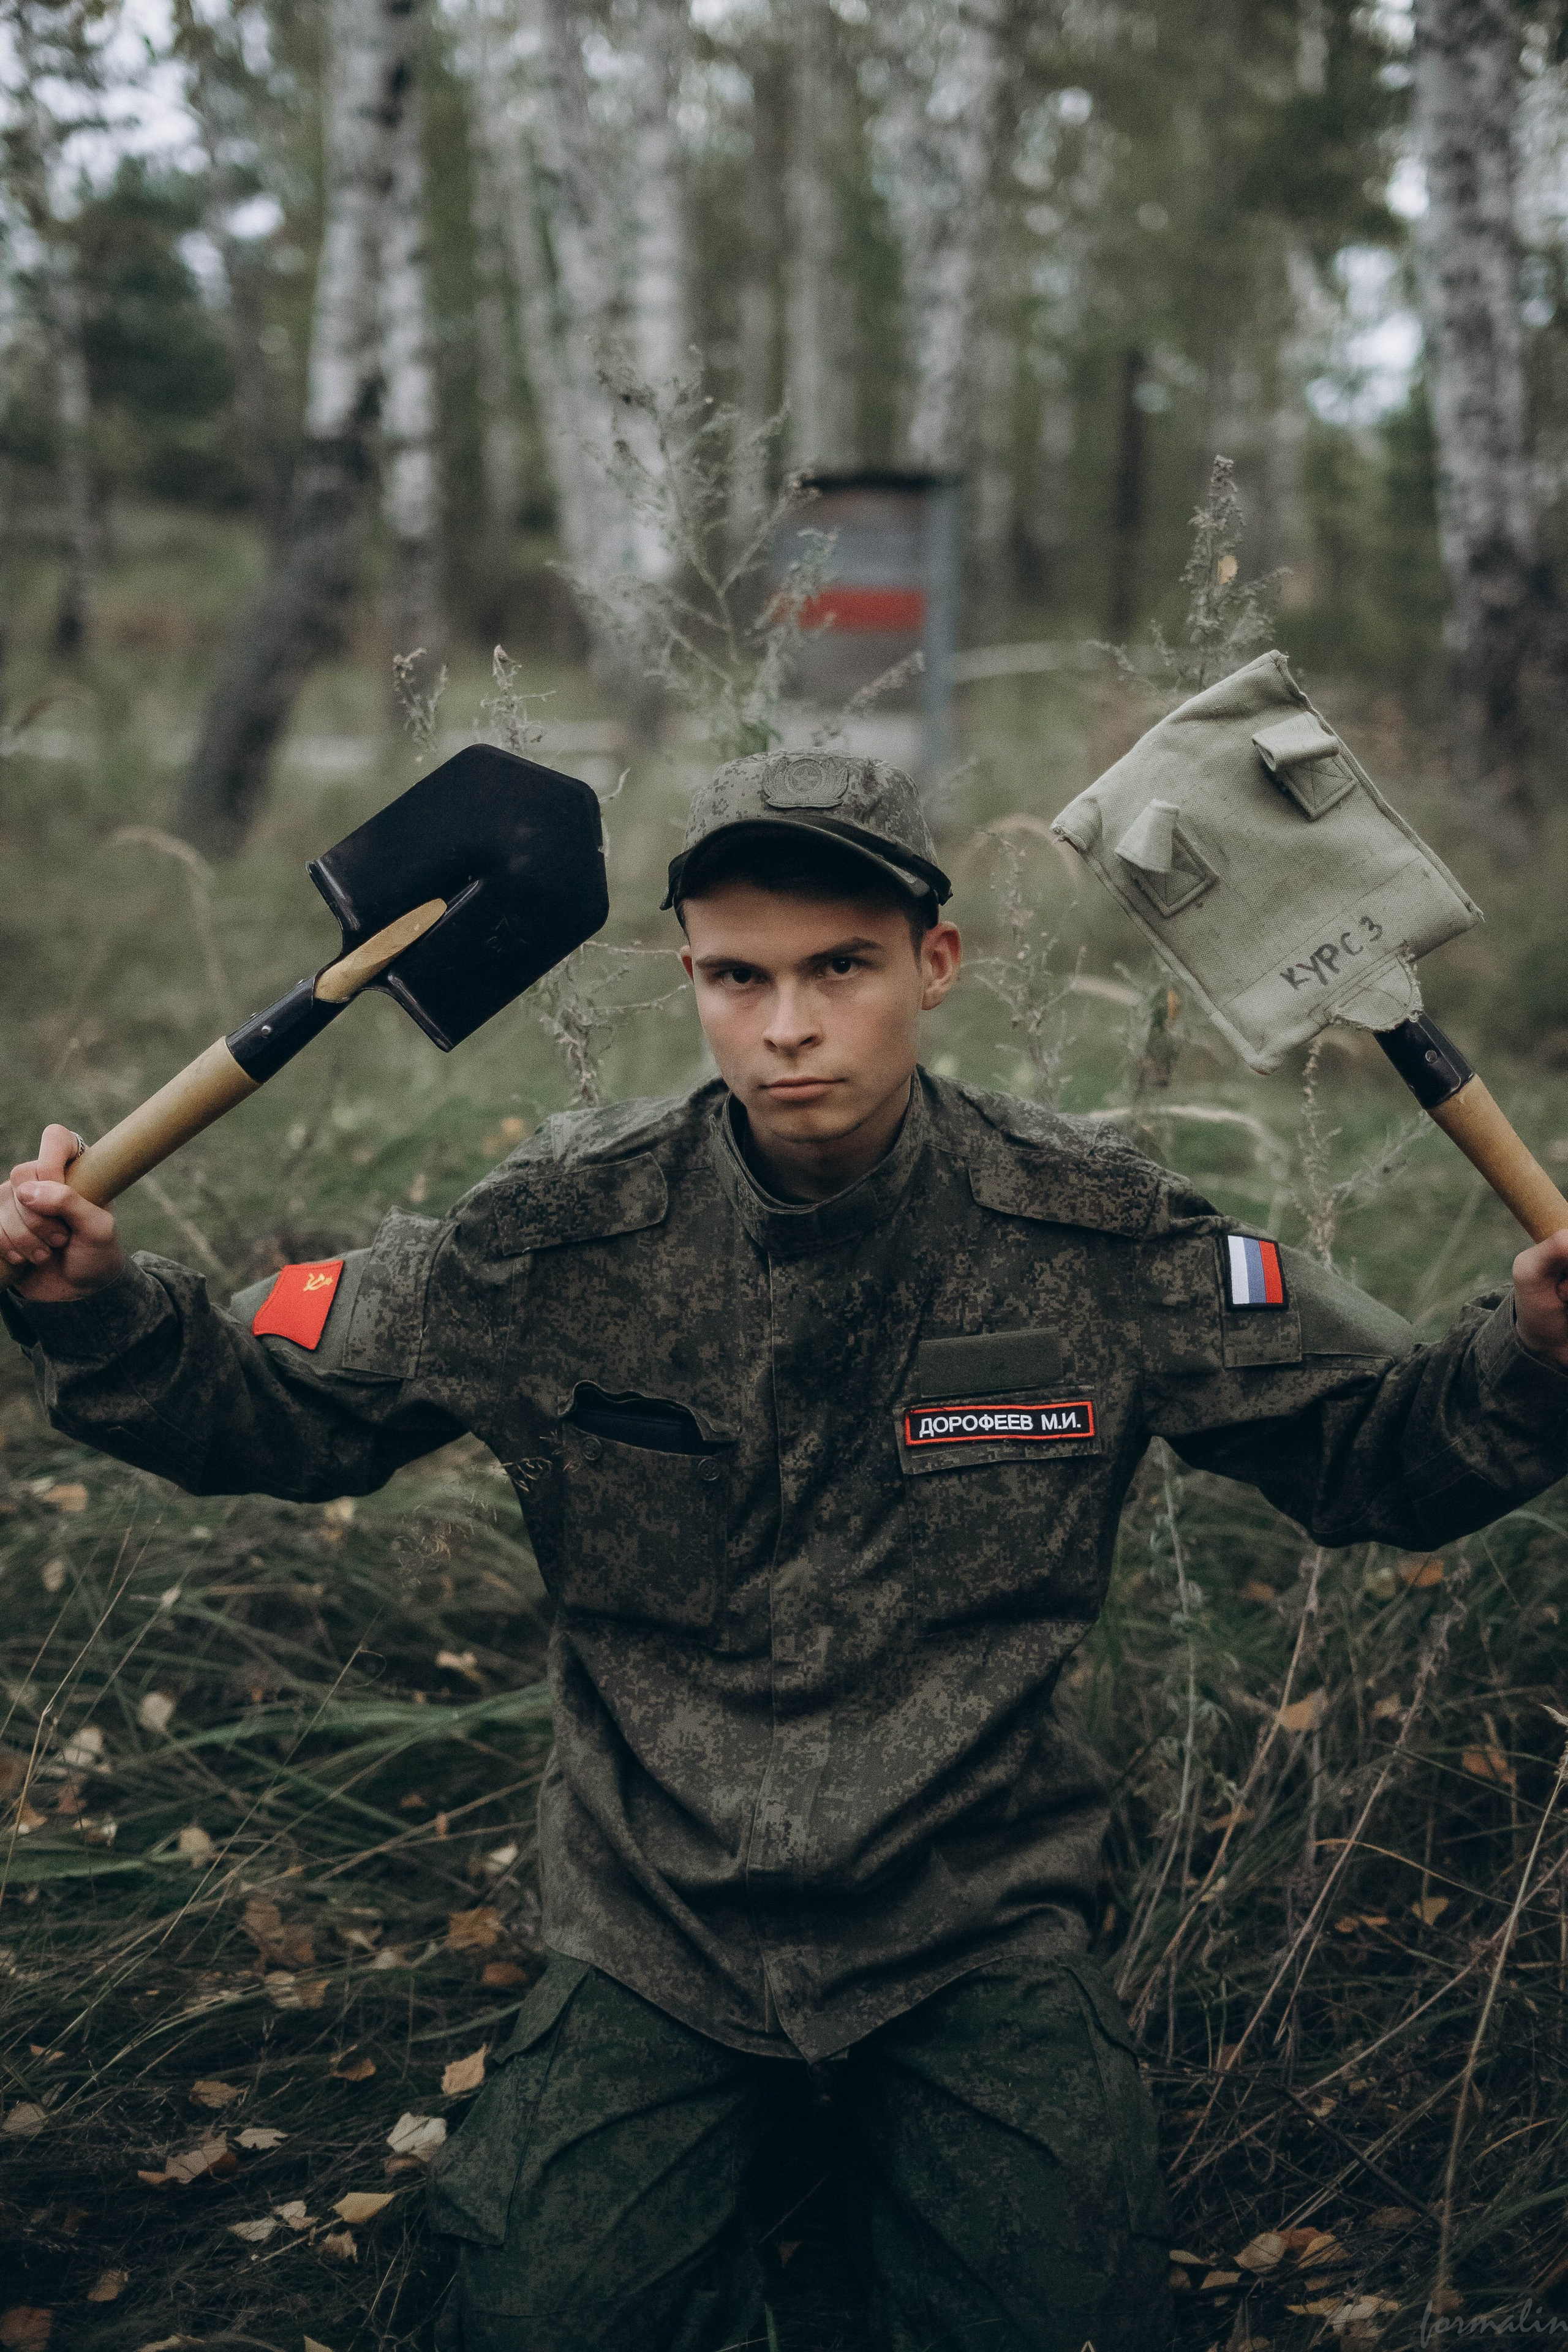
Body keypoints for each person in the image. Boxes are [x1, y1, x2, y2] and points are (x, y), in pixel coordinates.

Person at [6, 749, 1568, 2352]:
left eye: (840, 968)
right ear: (689, 978)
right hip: (658, 1924)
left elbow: (1379, 1451)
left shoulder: (1093, 1238)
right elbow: (277, 1417)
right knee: (539, 2321)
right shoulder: (557, 1238)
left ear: (934, 966)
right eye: (738, 978)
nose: (788, 1026)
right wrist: (96, 1310)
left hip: (975, 1917)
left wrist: (1531, 1352)